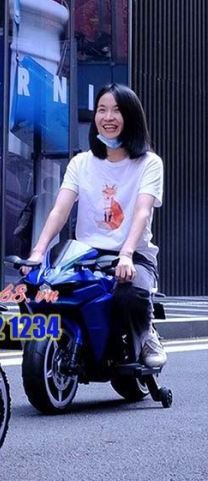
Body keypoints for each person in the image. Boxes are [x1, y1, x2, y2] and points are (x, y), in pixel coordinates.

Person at [22, 83, 166, 368]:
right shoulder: (81, 162)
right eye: (102, 110)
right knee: (39, 287)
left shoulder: (149, 163)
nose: (108, 117)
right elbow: (59, 210)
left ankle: (146, 333)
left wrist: (126, 254)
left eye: (116, 110)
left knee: (130, 294)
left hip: (132, 255)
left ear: (131, 117)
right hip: (84, 254)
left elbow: (142, 212)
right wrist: (38, 252)